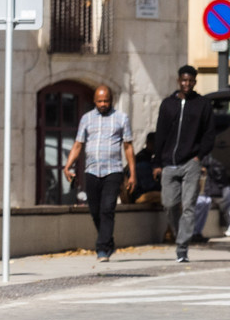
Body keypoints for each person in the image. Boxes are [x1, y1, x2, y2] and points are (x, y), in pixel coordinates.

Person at [62, 85, 136, 262]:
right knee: (95, 210)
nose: (103, 104)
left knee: (108, 208)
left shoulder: (121, 118)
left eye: (106, 101)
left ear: (111, 100)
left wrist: (133, 173)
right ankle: (108, 241)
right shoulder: (86, 119)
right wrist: (67, 166)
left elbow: (128, 146)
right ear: (94, 101)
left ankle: (102, 249)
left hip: (113, 170)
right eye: (100, 101)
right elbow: (78, 144)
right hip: (92, 170)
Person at [152, 65, 215, 263]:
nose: (187, 84)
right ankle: (180, 235)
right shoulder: (167, 104)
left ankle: (182, 246)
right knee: (169, 204)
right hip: (168, 163)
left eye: (191, 81)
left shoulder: (202, 104)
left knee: (188, 205)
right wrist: (157, 162)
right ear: (178, 80)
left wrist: (200, 156)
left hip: (191, 162)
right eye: (184, 80)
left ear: (195, 82)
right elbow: (160, 134)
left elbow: (209, 133)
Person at [191, 154, 230, 240]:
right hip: (196, 194)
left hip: (211, 193)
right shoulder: (189, 162)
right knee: (202, 201)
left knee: (206, 201)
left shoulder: (211, 163)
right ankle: (193, 233)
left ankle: (196, 233)